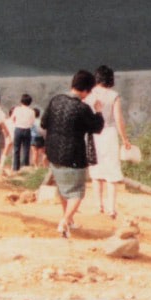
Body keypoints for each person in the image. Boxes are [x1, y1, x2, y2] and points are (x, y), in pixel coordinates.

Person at [44, 69, 106, 238]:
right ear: (86, 90)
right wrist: (99, 111)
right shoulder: (82, 108)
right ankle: (64, 221)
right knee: (77, 192)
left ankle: (68, 220)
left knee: (64, 190)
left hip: (53, 152)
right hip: (73, 154)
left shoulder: (55, 101)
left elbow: (44, 122)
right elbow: (97, 127)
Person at [88, 65, 131, 219]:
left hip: (93, 133)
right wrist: (125, 138)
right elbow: (118, 118)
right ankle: (111, 208)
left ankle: (98, 205)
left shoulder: (90, 94)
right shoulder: (114, 95)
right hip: (109, 133)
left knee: (96, 170)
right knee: (111, 171)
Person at [10, 94, 37, 171]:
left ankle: (15, 168)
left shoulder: (17, 109)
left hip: (18, 129)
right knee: (26, 149)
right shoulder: (32, 111)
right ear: (30, 102)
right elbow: (32, 122)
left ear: (21, 101)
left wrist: (16, 123)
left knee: (16, 149)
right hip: (27, 130)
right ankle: (25, 166)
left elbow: (12, 119)